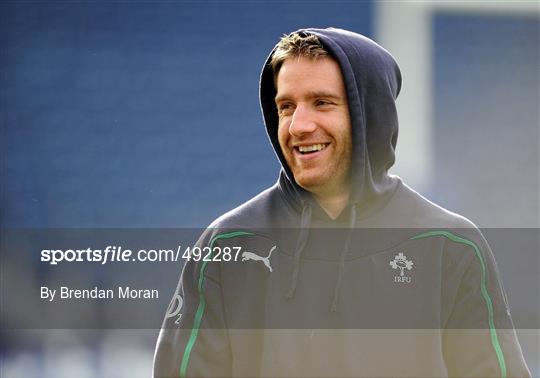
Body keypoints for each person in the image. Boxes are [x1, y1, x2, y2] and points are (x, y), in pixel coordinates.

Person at [153, 28, 530, 377]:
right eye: (286, 106)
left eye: (322, 102)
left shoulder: (451, 246)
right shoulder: (227, 245)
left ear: (371, 115)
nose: (299, 125)